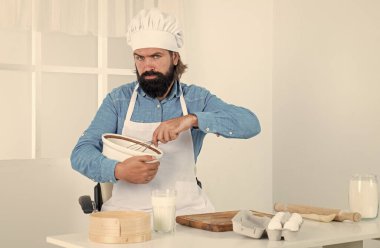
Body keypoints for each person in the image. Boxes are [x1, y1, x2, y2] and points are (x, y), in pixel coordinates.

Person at [71, 8, 261, 215]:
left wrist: (192, 119)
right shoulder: (118, 100)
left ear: (175, 57)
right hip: (128, 214)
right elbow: (81, 153)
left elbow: (250, 124)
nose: (147, 66)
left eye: (155, 56)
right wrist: (118, 170)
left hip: (187, 213)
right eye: (139, 58)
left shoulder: (196, 99)